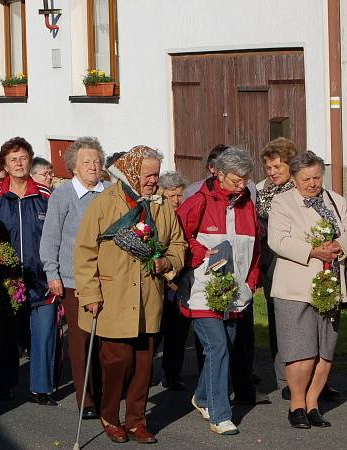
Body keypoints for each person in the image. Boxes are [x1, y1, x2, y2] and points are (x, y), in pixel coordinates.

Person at [75, 146, 187, 444]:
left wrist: (169, 262)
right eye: (148, 174)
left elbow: (178, 243)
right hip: (112, 297)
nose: (153, 180)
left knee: (142, 365)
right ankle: (110, 415)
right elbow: (85, 253)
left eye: (156, 174)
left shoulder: (161, 205)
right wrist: (90, 294)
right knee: (117, 362)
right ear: (132, 172)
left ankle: (137, 421)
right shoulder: (103, 204)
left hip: (148, 298)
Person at [176, 147, 260, 435]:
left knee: (226, 348)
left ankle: (202, 397)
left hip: (236, 292)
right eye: (237, 180)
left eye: (246, 180)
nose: (243, 185)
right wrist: (201, 253)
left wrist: (250, 283)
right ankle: (220, 416)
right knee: (218, 347)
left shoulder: (248, 203)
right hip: (202, 290)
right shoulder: (198, 200)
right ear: (220, 174)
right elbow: (178, 237)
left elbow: (254, 248)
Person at [268, 151, 346, 429]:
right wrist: (313, 251)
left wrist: (338, 247)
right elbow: (277, 241)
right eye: (306, 179)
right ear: (294, 178)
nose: (312, 183)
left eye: (316, 177)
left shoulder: (337, 201)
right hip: (294, 287)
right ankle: (296, 405)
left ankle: (313, 404)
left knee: (325, 350)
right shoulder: (282, 202)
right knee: (300, 350)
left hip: (331, 286)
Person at [39, 137, 109, 420]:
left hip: (108, 279)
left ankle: (107, 393)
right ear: (74, 167)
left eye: (96, 161)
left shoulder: (112, 192)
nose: (92, 166)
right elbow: (51, 237)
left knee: (107, 341)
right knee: (80, 342)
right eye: (86, 162)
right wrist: (52, 273)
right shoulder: (64, 194)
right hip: (73, 280)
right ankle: (87, 398)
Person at [0, 136, 54, 404]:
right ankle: (4, 383)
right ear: (4, 164)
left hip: (42, 279)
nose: (18, 163)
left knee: (43, 334)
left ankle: (41, 388)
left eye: (23, 158)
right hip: (7, 280)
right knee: (5, 335)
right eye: (13, 159)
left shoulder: (46, 196)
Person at [255, 138, 298, 392]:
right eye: (268, 168)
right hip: (272, 263)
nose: (272, 173)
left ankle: (314, 379)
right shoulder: (262, 190)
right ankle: (284, 378)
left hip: (298, 261)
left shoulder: (301, 188)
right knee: (277, 318)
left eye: (277, 168)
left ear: (290, 165)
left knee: (307, 322)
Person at [154, 171, 195, 391]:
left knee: (178, 329)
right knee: (155, 329)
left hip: (182, 277)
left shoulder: (186, 213)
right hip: (158, 279)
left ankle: (172, 374)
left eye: (179, 195)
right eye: (171, 196)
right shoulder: (156, 213)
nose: (176, 200)